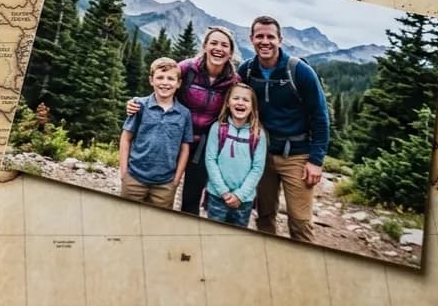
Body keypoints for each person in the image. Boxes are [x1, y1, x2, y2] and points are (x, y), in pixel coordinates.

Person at [126, 26, 240, 214]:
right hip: (173, 137)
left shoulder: (234, 81)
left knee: (190, 199)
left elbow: (239, 106)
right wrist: (137, 103)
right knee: (155, 188)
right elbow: (164, 85)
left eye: (224, 45)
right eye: (213, 43)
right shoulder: (187, 68)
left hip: (204, 145)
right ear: (205, 46)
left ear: (230, 52)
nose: (218, 48)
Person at [238, 15, 330, 242]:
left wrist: (316, 160)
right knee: (264, 215)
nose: (265, 41)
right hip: (261, 154)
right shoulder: (247, 71)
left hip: (297, 156)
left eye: (270, 36)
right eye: (259, 36)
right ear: (251, 39)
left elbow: (320, 117)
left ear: (280, 39)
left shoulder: (299, 71)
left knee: (300, 221)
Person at [119, 57, 194, 209]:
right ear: (151, 80)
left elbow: (185, 148)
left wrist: (176, 180)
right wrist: (124, 172)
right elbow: (126, 138)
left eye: (171, 78)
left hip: (165, 184)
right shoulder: (139, 106)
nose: (165, 82)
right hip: (134, 178)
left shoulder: (184, 114)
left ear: (178, 83)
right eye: (160, 77)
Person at [203, 81, 267, 227]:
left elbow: (257, 168)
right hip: (217, 195)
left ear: (252, 107)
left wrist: (240, 194)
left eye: (246, 100)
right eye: (236, 98)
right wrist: (223, 192)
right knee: (212, 234)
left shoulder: (258, 134)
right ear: (227, 103)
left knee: (236, 238)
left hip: (244, 201)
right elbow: (210, 160)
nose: (240, 103)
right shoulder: (218, 128)